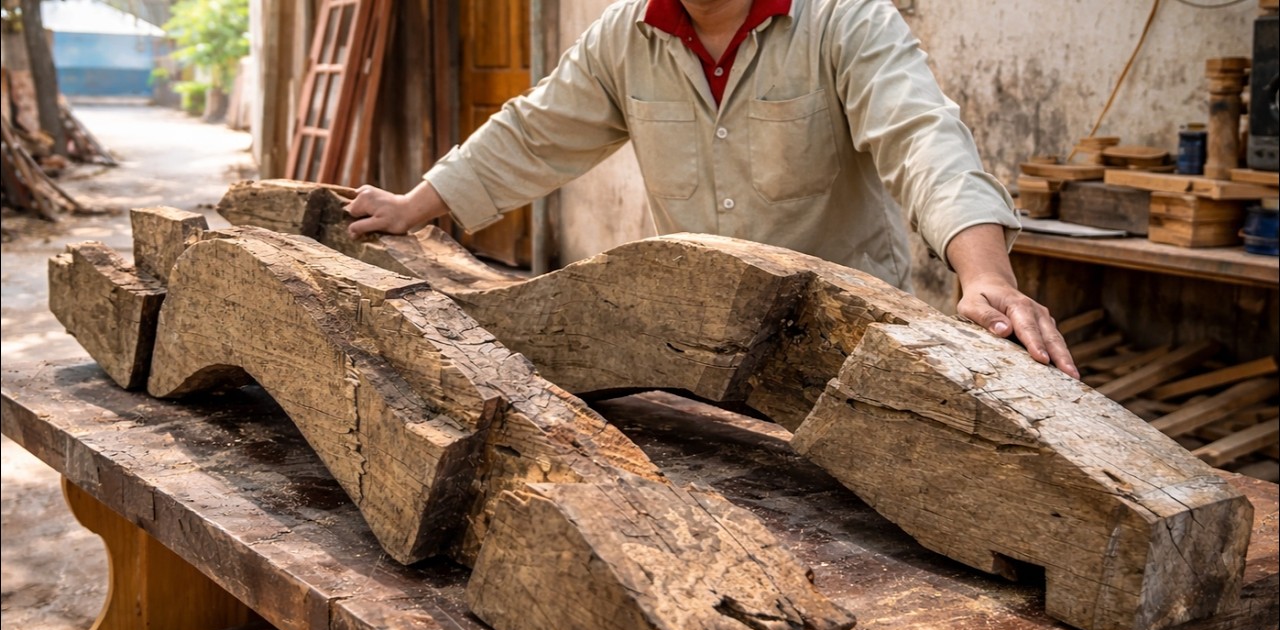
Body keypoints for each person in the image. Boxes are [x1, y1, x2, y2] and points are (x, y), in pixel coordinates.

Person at [346, 0, 1079, 378]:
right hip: (699, 332)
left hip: (846, 333)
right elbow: (534, 130)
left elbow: (921, 136)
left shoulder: (845, 19)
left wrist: (984, 274)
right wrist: (415, 207)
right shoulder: (624, 37)